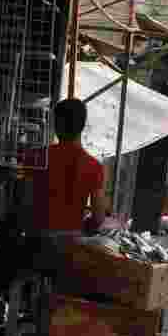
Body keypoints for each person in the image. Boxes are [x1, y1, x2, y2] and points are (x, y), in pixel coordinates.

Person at [31, 98, 108, 269]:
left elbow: (22, 199)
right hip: (70, 248)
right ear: (82, 126)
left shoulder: (38, 157)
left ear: (57, 124)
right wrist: (84, 226)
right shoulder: (94, 166)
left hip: (36, 241)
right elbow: (98, 217)